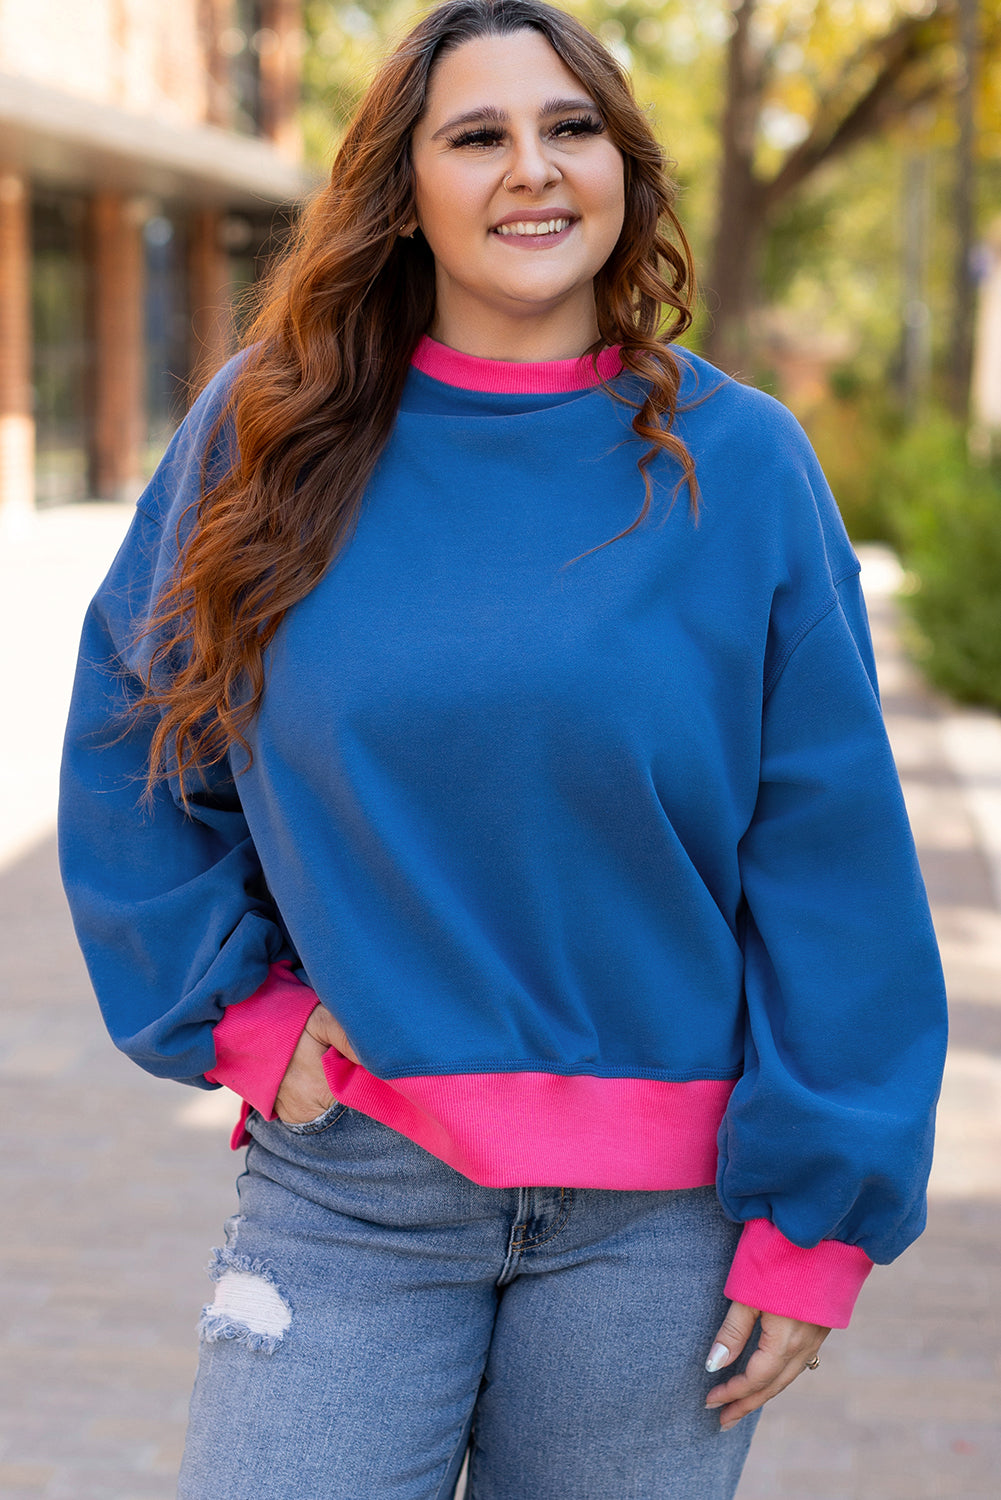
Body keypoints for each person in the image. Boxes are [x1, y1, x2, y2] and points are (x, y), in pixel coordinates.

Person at [58, 2, 947, 1496]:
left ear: (622, 164)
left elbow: (828, 859)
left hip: (662, 1228)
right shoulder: (268, 436)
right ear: (404, 190)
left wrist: (819, 1224)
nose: (532, 171)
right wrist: (243, 1019)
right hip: (350, 1191)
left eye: (570, 128)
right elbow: (132, 740)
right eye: (477, 136)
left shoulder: (739, 467)